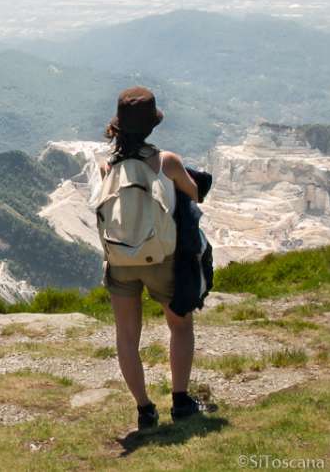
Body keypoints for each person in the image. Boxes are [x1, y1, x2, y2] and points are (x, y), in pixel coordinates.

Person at [97, 86, 215, 431]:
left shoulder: (108, 167)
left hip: (120, 258)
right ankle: (180, 401)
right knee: (179, 325)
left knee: (126, 335)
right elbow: (194, 195)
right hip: (161, 256)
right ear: (151, 126)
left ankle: (145, 410)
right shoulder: (167, 162)